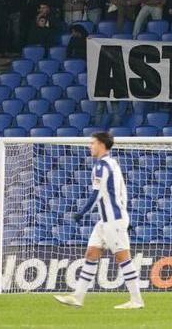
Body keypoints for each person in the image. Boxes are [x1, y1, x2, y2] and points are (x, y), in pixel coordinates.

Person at [54, 132, 144, 310]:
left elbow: (95, 195)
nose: (90, 146)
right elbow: (122, 192)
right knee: (91, 254)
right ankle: (77, 297)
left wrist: (81, 212)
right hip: (106, 221)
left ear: (102, 144)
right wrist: (125, 217)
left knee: (122, 257)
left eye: (93, 143)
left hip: (112, 221)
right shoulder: (114, 164)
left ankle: (137, 300)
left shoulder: (100, 167)